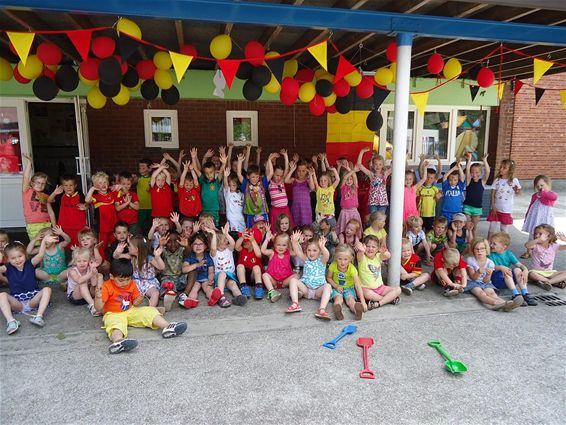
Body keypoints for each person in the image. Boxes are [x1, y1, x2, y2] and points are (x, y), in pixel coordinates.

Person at [93, 259, 187, 354]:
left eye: (128, 279)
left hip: (130, 310)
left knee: (149, 311)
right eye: (121, 280)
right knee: (116, 325)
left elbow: (135, 303)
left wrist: (138, 300)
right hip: (113, 313)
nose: (125, 283)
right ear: (112, 277)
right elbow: (98, 308)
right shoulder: (106, 286)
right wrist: (98, 298)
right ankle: (118, 342)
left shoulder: (132, 284)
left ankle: (168, 327)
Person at [0, 237, 56, 334]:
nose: (17, 260)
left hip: (33, 301)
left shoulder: (30, 264)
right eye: (13, 258)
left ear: (25, 255)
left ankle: (38, 317)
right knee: (2, 295)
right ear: (8, 259)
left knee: (47, 289)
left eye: (20, 256)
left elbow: (41, 254)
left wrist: (43, 241)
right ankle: (11, 321)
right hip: (17, 303)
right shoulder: (7, 268)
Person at [465, 238, 522, 311]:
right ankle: (495, 303)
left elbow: (486, 281)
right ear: (473, 250)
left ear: (486, 250)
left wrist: (488, 275)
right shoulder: (471, 260)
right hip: (473, 282)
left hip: (485, 282)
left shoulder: (490, 263)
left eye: (482, 249)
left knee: (492, 293)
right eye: (477, 249)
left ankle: (507, 304)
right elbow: (473, 278)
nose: (479, 251)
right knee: (481, 293)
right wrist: (478, 272)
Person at [287, 231, 332, 319]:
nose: (311, 253)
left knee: (328, 286)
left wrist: (322, 247)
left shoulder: (322, 260)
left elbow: (327, 255)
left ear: (319, 252)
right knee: (293, 280)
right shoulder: (306, 259)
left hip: (318, 291)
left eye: (315, 250)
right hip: (306, 290)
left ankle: (321, 310)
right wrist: (294, 241)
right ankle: (295, 303)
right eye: (309, 250)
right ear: (306, 250)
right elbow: (297, 251)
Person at [488, 232, 536, 306]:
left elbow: (520, 265)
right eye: (491, 243)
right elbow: (489, 267)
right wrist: (501, 267)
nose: (491, 245)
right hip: (497, 280)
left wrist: (525, 270)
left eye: (494, 244)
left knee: (518, 270)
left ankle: (525, 293)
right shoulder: (490, 255)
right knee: (506, 271)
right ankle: (515, 295)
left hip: (508, 280)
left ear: (504, 246)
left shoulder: (508, 254)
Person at [205, 224, 247, 307]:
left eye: (226, 239)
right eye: (224, 240)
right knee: (223, 274)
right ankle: (221, 296)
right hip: (220, 278)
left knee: (233, 284)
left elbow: (233, 243)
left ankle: (239, 297)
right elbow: (213, 248)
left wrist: (227, 234)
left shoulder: (229, 250)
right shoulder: (214, 253)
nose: (226, 241)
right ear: (217, 243)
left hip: (230, 276)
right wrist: (213, 235)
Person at [356, 235, 400, 309]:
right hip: (367, 289)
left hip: (381, 288)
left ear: (377, 249)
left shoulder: (378, 256)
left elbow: (388, 256)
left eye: (373, 247)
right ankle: (389, 300)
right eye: (368, 246)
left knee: (398, 289)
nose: (370, 249)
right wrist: (361, 250)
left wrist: (383, 252)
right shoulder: (362, 258)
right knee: (365, 293)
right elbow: (359, 255)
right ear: (364, 247)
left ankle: (378, 303)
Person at [520, 175, 558, 259]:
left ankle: (544, 251)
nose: (540, 187)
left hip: (545, 219)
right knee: (533, 233)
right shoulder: (535, 195)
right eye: (537, 186)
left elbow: (554, 197)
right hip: (535, 218)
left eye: (542, 185)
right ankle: (528, 251)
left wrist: (544, 192)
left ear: (548, 184)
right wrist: (526, 216)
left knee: (545, 234)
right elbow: (531, 206)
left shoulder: (550, 194)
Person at [123, 234, 165, 309]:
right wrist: (127, 242)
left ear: (136, 249)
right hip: (135, 283)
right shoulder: (132, 257)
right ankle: (126, 309)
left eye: (129, 245)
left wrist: (158, 257)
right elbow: (116, 256)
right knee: (124, 293)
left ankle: (150, 310)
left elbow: (161, 267)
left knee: (155, 293)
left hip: (149, 283)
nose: (127, 247)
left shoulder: (149, 258)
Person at [326, 244, 365, 321]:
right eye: (340, 259)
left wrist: (363, 301)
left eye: (345, 259)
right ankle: (338, 310)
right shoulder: (333, 266)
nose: (342, 262)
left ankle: (357, 310)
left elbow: (357, 285)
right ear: (336, 258)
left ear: (351, 259)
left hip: (349, 288)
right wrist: (336, 286)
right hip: (337, 288)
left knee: (350, 300)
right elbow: (329, 278)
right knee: (338, 299)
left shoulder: (352, 269)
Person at [21, 153, 54, 242]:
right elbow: (26, 177)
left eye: (43, 183)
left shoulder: (45, 196)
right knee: (36, 245)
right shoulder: (27, 191)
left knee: (48, 244)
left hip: (46, 223)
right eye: (38, 182)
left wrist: (54, 227)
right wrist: (29, 163)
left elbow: (51, 211)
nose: (40, 185)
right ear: (32, 183)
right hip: (33, 224)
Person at [47, 174, 87, 247]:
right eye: (66, 185)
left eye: (71, 185)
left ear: (75, 185)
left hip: (79, 226)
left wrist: (85, 207)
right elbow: (49, 200)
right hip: (64, 227)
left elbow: (86, 204)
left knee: (79, 246)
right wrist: (54, 193)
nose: (68, 187)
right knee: (66, 246)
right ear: (62, 186)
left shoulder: (80, 194)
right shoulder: (60, 195)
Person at [179, 231, 215, 308]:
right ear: (191, 246)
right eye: (195, 244)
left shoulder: (207, 257)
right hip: (195, 280)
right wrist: (196, 265)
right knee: (194, 289)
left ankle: (213, 298)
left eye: (201, 244)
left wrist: (210, 279)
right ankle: (191, 300)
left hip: (205, 279)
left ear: (205, 246)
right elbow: (184, 269)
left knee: (208, 288)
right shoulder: (190, 257)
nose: (198, 246)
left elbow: (211, 270)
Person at [85, 171, 117, 257]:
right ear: (95, 185)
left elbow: (124, 192)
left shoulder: (112, 194)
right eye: (100, 183)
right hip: (102, 228)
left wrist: (120, 186)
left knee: (115, 244)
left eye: (105, 182)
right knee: (102, 246)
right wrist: (92, 189)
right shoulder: (96, 197)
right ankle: (102, 263)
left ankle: (115, 262)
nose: (103, 184)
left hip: (113, 225)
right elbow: (87, 200)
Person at [525, 224, 566, 290]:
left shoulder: (554, 246)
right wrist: (538, 240)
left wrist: (565, 239)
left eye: (540, 234)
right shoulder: (536, 245)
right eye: (535, 234)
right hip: (537, 272)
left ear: (549, 236)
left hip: (550, 272)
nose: (537, 235)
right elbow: (527, 245)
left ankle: (549, 282)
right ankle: (554, 282)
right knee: (531, 274)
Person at [487, 159, 521, 239]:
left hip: (506, 209)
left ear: (510, 170)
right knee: (492, 227)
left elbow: (518, 192)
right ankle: (488, 243)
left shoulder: (514, 180)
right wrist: (493, 206)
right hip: (496, 208)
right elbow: (493, 194)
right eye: (501, 167)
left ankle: (505, 244)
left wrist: (516, 189)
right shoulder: (497, 180)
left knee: (504, 227)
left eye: (504, 168)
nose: (501, 169)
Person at [261, 230, 297, 303]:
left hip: (285, 281)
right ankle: (272, 291)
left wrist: (294, 242)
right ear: (274, 245)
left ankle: (293, 292)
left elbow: (296, 252)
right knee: (265, 275)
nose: (281, 247)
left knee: (297, 276)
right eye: (278, 244)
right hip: (274, 281)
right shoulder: (272, 252)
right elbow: (263, 250)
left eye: (284, 245)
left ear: (287, 246)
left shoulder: (289, 252)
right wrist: (267, 240)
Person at [66, 247, 103, 316]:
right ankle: (93, 305)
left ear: (89, 261)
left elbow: (94, 283)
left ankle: (99, 298)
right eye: (79, 261)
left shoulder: (89, 269)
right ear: (74, 262)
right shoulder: (72, 271)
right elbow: (79, 280)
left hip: (87, 295)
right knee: (82, 282)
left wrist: (93, 271)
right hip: (75, 297)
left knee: (100, 276)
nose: (82, 263)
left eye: (85, 261)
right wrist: (91, 274)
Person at [193, 148, 223, 227]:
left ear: (215, 171)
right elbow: (195, 168)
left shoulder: (217, 181)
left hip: (214, 211)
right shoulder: (202, 180)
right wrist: (193, 157)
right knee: (204, 227)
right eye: (206, 173)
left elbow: (222, 170)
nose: (209, 175)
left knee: (214, 228)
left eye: (211, 172)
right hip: (204, 210)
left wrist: (224, 162)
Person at [265, 149, 294, 230]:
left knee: (287, 228)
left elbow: (286, 170)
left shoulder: (281, 182)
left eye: (281, 176)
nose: (279, 177)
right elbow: (268, 171)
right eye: (277, 175)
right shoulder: (270, 183)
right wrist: (269, 159)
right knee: (276, 228)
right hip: (275, 210)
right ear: (273, 173)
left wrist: (285, 156)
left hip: (285, 209)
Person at [356, 148, 390, 214]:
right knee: (373, 220)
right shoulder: (371, 174)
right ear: (373, 165)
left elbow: (395, 165)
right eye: (376, 164)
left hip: (382, 203)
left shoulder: (385, 174)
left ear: (383, 165)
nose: (378, 166)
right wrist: (362, 151)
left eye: (380, 164)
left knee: (380, 220)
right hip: (373, 203)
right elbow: (359, 165)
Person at [463, 152, 490, 231]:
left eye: (477, 172)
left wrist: (485, 160)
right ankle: (466, 242)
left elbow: (488, 172)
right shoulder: (468, 180)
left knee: (474, 228)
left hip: (477, 208)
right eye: (472, 172)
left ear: (481, 173)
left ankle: (473, 242)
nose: (474, 174)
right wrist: (470, 159)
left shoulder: (482, 182)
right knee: (467, 226)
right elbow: (467, 169)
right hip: (467, 207)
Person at [234, 227, 263, 299]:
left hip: (254, 277)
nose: (244, 241)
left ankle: (259, 287)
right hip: (243, 276)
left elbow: (259, 254)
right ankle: (243, 286)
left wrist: (253, 241)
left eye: (246, 240)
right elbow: (236, 247)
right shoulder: (242, 249)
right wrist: (241, 237)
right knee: (240, 266)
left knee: (256, 267)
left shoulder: (256, 250)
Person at [286, 159, 315, 226]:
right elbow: (286, 180)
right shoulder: (294, 180)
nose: (301, 173)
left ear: (306, 171)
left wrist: (310, 175)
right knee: (296, 227)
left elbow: (312, 188)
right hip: (296, 207)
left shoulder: (307, 180)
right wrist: (292, 169)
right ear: (296, 171)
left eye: (303, 171)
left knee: (306, 227)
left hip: (306, 208)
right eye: (299, 171)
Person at [417, 155, 442, 231]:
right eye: (427, 177)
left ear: (434, 178)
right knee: (420, 230)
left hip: (431, 214)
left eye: (431, 178)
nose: (429, 179)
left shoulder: (435, 189)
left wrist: (439, 160)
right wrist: (422, 160)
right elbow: (419, 170)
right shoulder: (420, 188)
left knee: (429, 230)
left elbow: (439, 172)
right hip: (420, 214)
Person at [336, 165, 362, 237]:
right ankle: (344, 240)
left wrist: (349, 168)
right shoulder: (343, 187)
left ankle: (355, 241)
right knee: (345, 228)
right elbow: (344, 178)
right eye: (347, 179)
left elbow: (354, 177)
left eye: (351, 179)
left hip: (354, 211)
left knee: (354, 228)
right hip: (345, 212)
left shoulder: (355, 187)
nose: (349, 181)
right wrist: (352, 170)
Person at [222, 165, 245, 233]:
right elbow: (226, 185)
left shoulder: (241, 194)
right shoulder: (228, 193)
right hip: (232, 219)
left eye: (234, 185)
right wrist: (225, 177)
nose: (231, 187)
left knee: (242, 236)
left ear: (237, 185)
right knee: (234, 235)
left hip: (241, 219)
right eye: (230, 185)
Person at [136, 158, 154, 233]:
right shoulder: (138, 179)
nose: (141, 170)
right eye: (140, 168)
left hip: (151, 206)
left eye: (143, 168)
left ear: (150, 169)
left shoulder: (153, 179)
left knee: (151, 225)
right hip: (140, 206)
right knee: (140, 225)